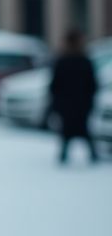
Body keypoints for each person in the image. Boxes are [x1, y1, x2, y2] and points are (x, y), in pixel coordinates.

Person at [50, 29, 100, 165]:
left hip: (68, 104)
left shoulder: (63, 61)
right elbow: (93, 84)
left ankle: (65, 156)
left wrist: (55, 104)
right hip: (80, 103)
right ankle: (91, 154)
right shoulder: (83, 60)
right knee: (81, 130)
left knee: (69, 131)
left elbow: (54, 85)